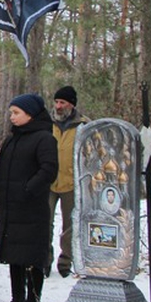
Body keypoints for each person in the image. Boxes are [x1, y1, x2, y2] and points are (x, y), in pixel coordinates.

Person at [0, 94, 59, 302]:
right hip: (10, 207)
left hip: (31, 208)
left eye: (16, 113)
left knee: (31, 256)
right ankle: (17, 298)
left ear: (30, 114)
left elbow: (48, 170)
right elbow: (1, 166)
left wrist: (28, 189)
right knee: (14, 255)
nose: (12, 117)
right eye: (11, 113)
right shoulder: (12, 138)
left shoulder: (44, 139)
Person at [48, 85, 89, 278]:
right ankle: (44, 260)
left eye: (62, 102)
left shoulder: (84, 126)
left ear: (71, 105)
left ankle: (66, 260)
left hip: (72, 184)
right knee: (44, 222)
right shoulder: (47, 123)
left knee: (70, 225)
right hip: (48, 181)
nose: (58, 106)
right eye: (56, 102)